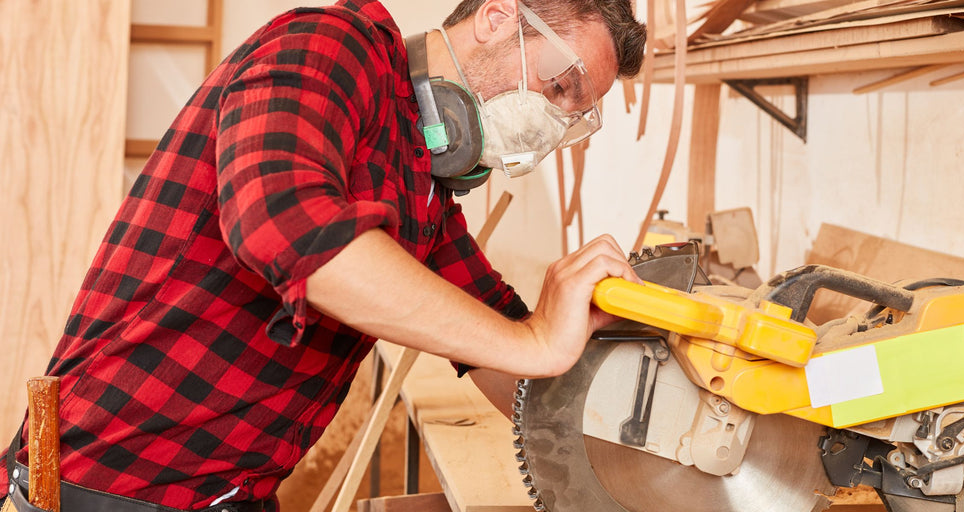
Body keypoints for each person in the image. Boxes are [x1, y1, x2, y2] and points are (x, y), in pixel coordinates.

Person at [0, 0, 646, 510]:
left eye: (575, 115)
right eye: (560, 88)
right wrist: (535, 340)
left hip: (228, 495)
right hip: (109, 485)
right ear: (498, 16)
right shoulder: (327, 46)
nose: (555, 122)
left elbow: (501, 346)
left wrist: (649, 434)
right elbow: (284, 227)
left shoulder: (419, 184)